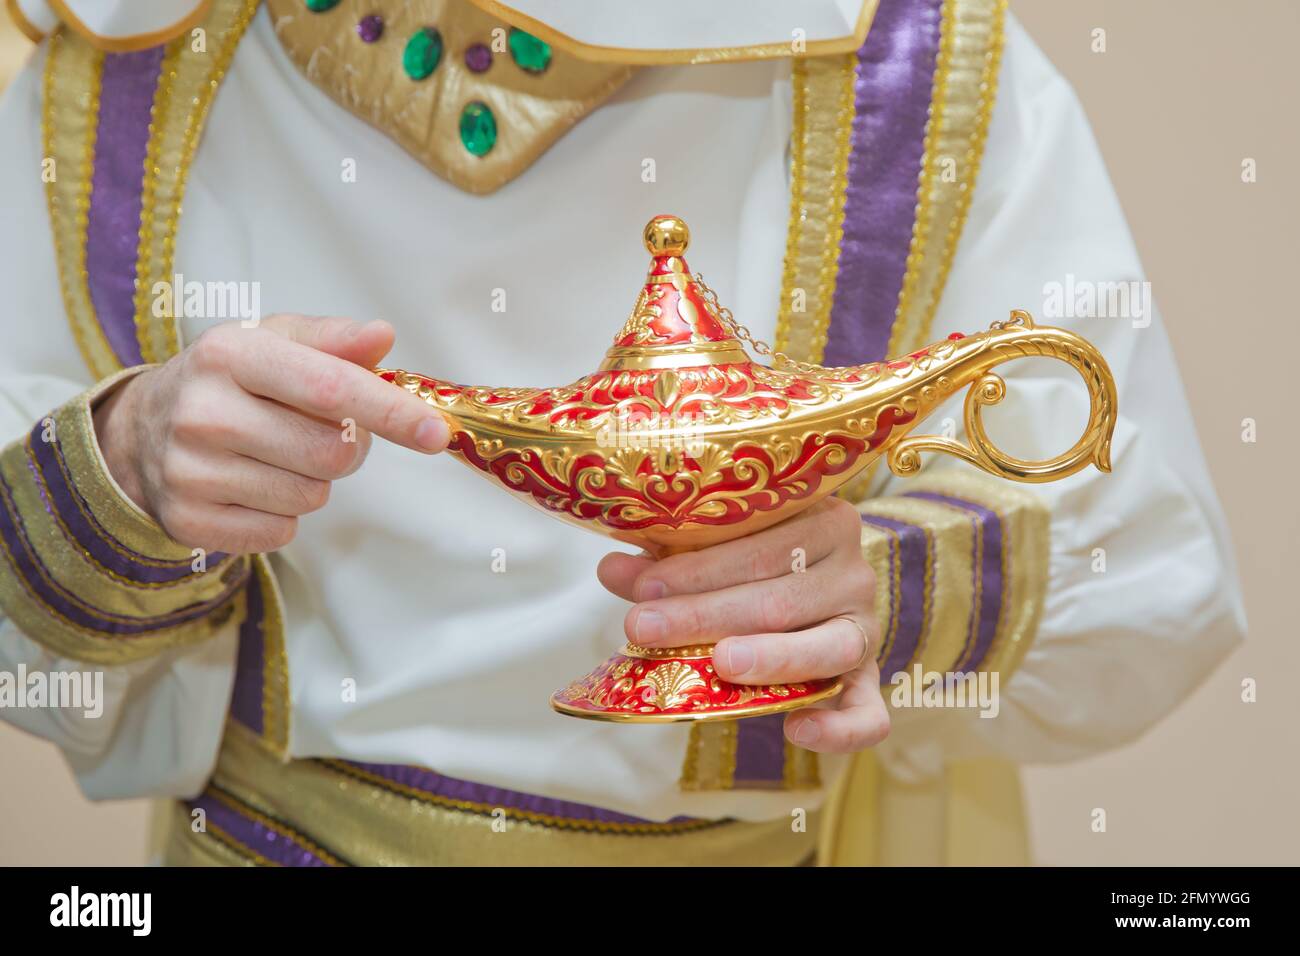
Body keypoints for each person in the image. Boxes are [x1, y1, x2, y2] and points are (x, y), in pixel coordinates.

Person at [0, 0, 1244, 865]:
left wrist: (890, 593)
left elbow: (1151, 559)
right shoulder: (132, 55)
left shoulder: (920, 65)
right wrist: (116, 463)